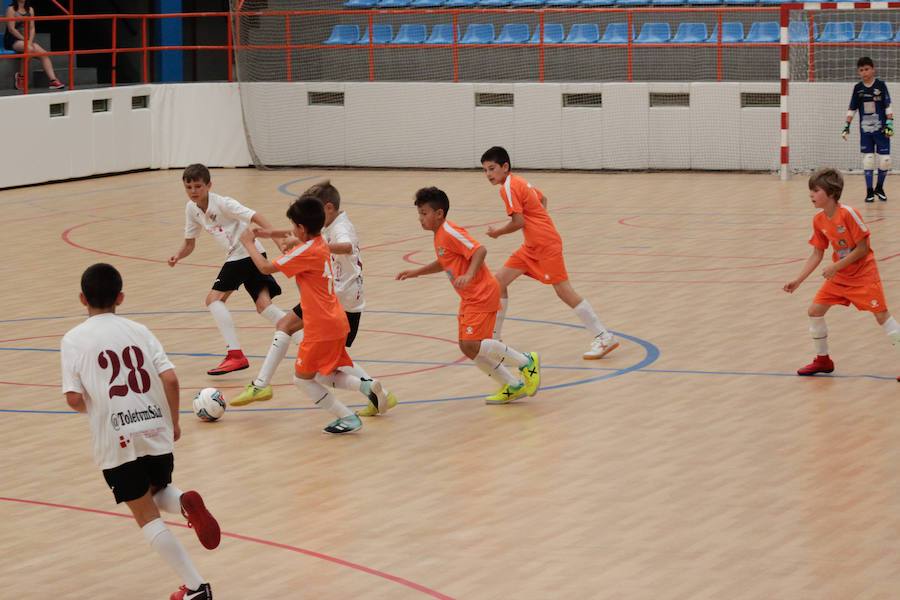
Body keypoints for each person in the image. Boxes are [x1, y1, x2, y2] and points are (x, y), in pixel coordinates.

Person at [60, 263, 219, 600]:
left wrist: (99, 407)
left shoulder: (73, 339)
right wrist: (173, 421)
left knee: (145, 514)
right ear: (120, 297)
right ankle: (184, 502)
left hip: (115, 439)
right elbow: (171, 379)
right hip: (154, 426)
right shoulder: (140, 330)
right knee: (157, 491)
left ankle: (196, 588)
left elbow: (74, 398)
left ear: (81, 298)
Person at [230, 180, 395, 416]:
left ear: (327, 208)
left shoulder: (340, 229)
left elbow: (345, 245)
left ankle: (261, 385)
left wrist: (313, 248)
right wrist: (269, 233)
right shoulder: (326, 226)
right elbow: (308, 235)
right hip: (338, 299)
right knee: (330, 361)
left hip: (336, 299)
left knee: (291, 333)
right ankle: (379, 392)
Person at [396, 186, 541, 404]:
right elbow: (444, 262)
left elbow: (480, 250)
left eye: (424, 213)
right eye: (419, 214)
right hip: (470, 297)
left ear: (439, 214)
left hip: (482, 293)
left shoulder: (450, 231)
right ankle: (512, 385)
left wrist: (470, 274)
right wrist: (416, 272)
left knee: (473, 343)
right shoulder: (439, 236)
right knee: (467, 346)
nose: (420, 219)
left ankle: (526, 361)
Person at [480, 146, 617, 360]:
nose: (488, 174)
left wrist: (498, 232)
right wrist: (539, 223)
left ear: (505, 167)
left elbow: (518, 221)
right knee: (498, 283)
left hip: (545, 245)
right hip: (531, 246)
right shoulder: (519, 181)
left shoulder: (508, 187)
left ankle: (603, 336)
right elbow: (543, 200)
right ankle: (495, 341)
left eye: (492, 169)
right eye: (485, 170)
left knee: (564, 291)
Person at [168, 163, 299, 376]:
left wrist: (277, 241)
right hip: (250, 255)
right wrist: (178, 255)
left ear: (209, 185)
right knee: (264, 307)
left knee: (213, 300)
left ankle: (235, 354)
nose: (193, 191)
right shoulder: (191, 209)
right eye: (189, 187)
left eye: (198, 186)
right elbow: (190, 243)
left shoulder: (224, 203)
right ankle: (306, 343)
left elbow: (257, 217)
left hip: (244, 253)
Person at [783, 168, 900, 379]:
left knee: (882, 316)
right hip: (840, 277)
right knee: (814, 311)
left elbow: (862, 249)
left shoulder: (849, 213)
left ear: (831, 193)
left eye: (815, 190)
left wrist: (835, 267)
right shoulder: (818, 220)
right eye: (810, 190)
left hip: (863, 275)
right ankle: (823, 360)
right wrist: (798, 280)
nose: (811, 194)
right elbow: (817, 253)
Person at [842, 56, 893, 203]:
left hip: (882, 130)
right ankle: (869, 191)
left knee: (885, 160)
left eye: (867, 69)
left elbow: (888, 106)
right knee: (868, 160)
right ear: (859, 72)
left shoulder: (881, 86)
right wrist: (846, 126)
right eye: (861, 70)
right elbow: (852, 109)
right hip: (866, 132)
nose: (864, 72)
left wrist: (890, 124)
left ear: (873, 69)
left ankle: (880, 188)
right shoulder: (858, 88)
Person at [4, 0, 65, 90]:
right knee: (29, 49)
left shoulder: (30, 10)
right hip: (13, 39)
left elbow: (32, 28)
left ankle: (53, 81)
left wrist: (30, 40)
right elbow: (11, 29)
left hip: (27, 40)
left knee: (44, 54)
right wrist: (25, 40)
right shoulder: (11, 9)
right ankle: (21, 77)